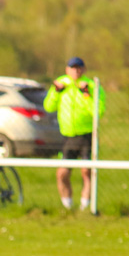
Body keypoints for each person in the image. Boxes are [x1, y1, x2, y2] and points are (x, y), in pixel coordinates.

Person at [43, 56, 106, 211]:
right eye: (73, 68)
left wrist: (85, 94)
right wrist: (56, 92)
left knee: (87, 172)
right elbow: (48, 107)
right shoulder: (61, 83)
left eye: (79, 68)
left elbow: (98, 111)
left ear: (83, 70)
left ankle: (85, 207)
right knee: (62, 173)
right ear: (67, 69)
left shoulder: (91, 86)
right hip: (67, 136)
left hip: (86, 135)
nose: (76, 71)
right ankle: (68, 206)